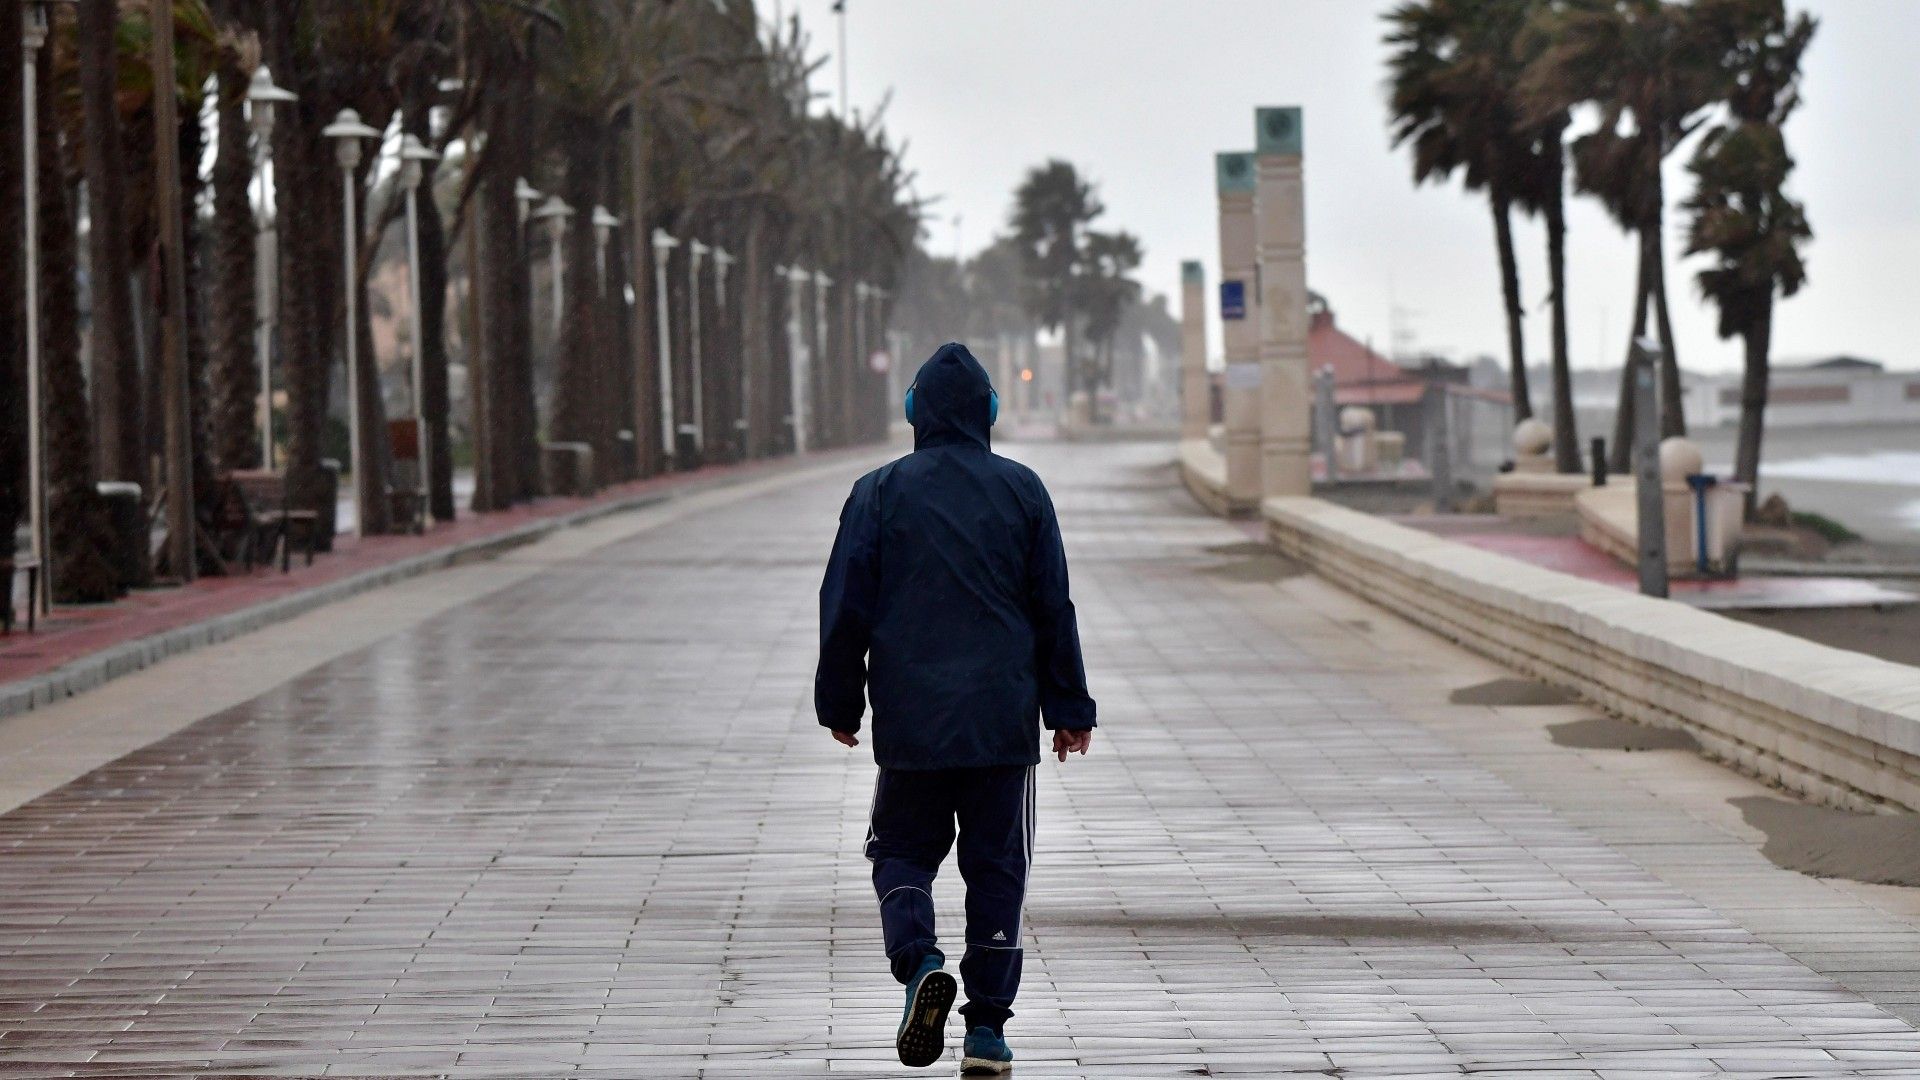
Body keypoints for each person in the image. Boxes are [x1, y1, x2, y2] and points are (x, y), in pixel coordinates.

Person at [816, 342, 1097, 1073]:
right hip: (1004, 722)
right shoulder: (1024, 490)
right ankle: (987, 1032)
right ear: (989, 413)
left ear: (914, 413)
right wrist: (1070, 706)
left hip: (912, 720)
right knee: (997, 867)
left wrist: (839, 700)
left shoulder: (877, 492)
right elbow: (1052, 606)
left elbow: (845, 606)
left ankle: (920, 963)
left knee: (901, 850)